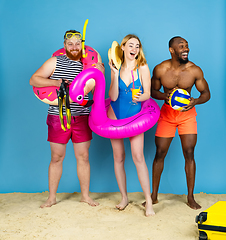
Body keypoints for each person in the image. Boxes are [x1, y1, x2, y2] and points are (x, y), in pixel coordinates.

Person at [30, 30, 104, 208]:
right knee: (56, 157)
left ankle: (85, 196)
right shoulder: (55, 61)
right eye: (70, 44)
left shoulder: (90, 65)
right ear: (64, 46)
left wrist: (100, 75)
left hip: (82, 116)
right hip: (58, 116)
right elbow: (34, 79)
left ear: (82, 45)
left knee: (83, 156)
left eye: (77, 44)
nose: (74, 47)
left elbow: (96, 94)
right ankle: (52, 197)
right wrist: (56, 82)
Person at [150, 36, 210, 209]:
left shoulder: (194, 70)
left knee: (189, 152)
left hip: (187, 115)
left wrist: (195, 101)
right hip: (167, 115)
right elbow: (153, 91)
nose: (186, 49)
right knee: (160, 153)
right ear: (171, 50)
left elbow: (206, 93)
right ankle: (153, 196)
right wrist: (164, 96)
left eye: (187, 46)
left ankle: (190, 197)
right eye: (181, 46)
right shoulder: (160, 69)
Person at [107, 34, 155, 217]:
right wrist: (113, 74)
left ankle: (148, 202)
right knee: (118, 157)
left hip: (135, 116)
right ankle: (124, 197)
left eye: (137, 46)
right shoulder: (116, 67)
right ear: (123, 47)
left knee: (138, 157)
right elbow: (112, 97)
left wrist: (140, 97)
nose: (134, 49)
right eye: (131, 45)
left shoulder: (142, 67)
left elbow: (147, 94)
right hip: (115, 115)